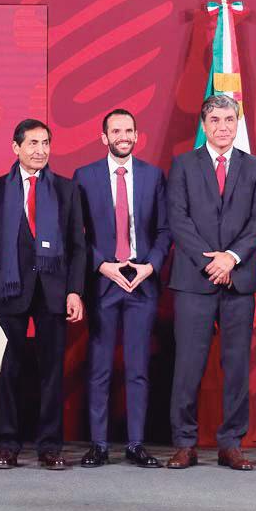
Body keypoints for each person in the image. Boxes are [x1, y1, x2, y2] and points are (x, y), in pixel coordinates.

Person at [164, 95, 256, 471]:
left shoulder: (255, 167)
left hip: (239, 279)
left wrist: (232, 258)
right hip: (194, 279)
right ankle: (184, 443)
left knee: (237, 365)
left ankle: (231, 443)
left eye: (229, 120)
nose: (223, 127)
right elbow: (177, 218)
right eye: (215, 120)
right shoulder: (183, 165)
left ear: (237, 123)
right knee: (187, 365)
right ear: (204, 125)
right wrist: (210, 261)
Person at [0, 119, 86, 470]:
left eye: (45, 143)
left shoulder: (67, 190)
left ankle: (50, 446)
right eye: (33, 143)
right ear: (16, 148)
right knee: (7, 370)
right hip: (9, 290)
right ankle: (7, 444)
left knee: (52, 372)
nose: (40, 150)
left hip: (54, 291)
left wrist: (75, 291)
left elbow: (78, 246)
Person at [73, 108, 171, 468]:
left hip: (141, 281)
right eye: (116, 131)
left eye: (129, 130)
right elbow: (77, 233)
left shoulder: (153, 175)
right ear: (104, 137)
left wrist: (150, 266)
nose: (123, 137)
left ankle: (135, 444)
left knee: (138, 368)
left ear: (137, 135)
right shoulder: (84, 177)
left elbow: (164, 230)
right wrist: (101, 264)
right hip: (103, 281)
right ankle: (98, 444)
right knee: (99, 367)